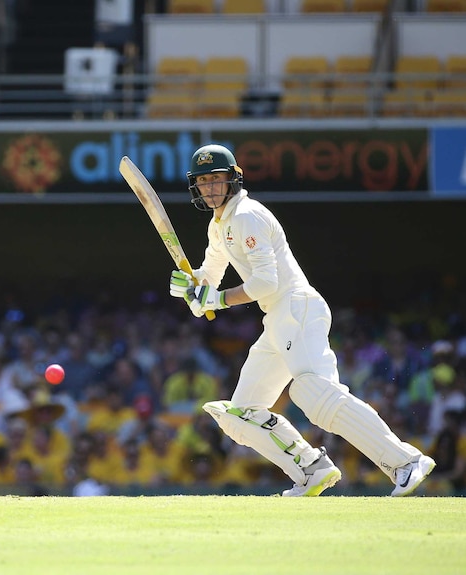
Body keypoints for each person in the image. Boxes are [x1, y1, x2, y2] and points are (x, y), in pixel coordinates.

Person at [167, 144, 435, 497]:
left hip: (296, 307)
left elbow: (266, 282)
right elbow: (209, 278)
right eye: (203, 181)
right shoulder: (219, 227)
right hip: (277, 320)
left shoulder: (247, 215)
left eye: (217, 179)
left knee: (313, 393)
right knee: (240, 413)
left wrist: (215, 299)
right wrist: (192, 286)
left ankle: (405, 461)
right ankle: (310, 468)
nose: (210, 187)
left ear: (233, 180)